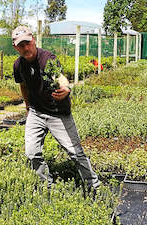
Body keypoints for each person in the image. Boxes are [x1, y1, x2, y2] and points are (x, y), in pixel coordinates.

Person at [12, 26, 100, 191]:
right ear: (15, 47)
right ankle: (46, 186)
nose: (25, 48)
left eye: (27, 43)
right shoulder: (18, 65)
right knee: (32, 152)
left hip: (58, 114)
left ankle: (94, 187)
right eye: (21, 45)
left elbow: (60, 77)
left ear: (34, 41)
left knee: (75, 153)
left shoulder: (47, 59)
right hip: (37, 113)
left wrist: (66, 88)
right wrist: (27, 105)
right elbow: (23, 85)